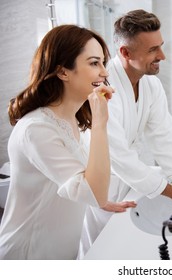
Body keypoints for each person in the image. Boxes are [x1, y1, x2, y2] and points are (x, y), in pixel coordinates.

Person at [0, 25, 137, 259]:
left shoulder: (72, 121)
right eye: (94, 63)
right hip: (28, 255)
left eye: (103, 62)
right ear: (63, 72)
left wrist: (100, 202)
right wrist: (100, 123)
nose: (104, 72)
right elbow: (93, 191)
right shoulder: (37, 129)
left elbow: (74, 183)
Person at [78, 9, 172, 257]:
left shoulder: (151, 84)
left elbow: (163, 135)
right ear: (125, 53)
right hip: (102, 185)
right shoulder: (102, 86)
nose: (162, 56)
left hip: (129, 183)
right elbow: (116, 154)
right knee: (100, 253)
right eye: (152, 50)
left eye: (161, 46)